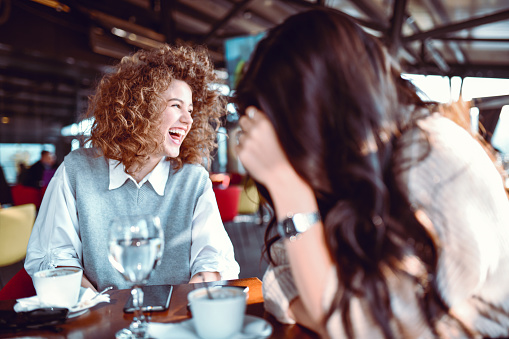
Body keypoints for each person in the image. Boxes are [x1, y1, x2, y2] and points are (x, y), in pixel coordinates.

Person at [235, 8, 509, 339]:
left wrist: (285, 183)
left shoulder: (433, 155)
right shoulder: (365, 166)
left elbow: (369, 328)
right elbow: (286, 273)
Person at [25, 44, 240, 292]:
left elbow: (213, 260)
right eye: (176, 106)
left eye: (190, 110)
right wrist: (101, 312)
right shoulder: (76, 170)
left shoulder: (193, 180)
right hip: (96, 320)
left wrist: (181, 313)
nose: (188, 120)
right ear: (140, 107)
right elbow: (54, 258)